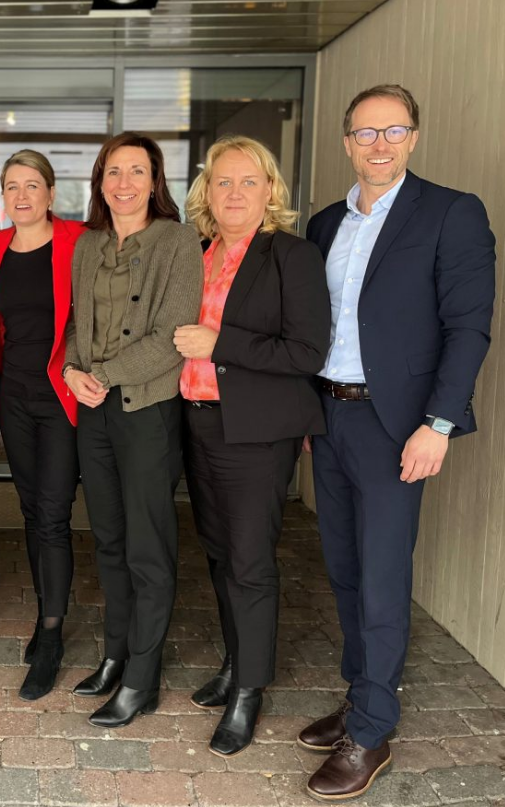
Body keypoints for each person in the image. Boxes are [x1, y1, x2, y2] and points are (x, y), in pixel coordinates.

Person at [301, 85, 496, 801]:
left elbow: (468, 327)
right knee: (345, 570)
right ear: (347, 142)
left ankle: (373, 730)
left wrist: (438, 424)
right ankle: (362, 696)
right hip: (330, 416)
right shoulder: (326, 223)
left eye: (393, 130)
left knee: (382, 578)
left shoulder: (450, 212)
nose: (379, 144)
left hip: (398, 426)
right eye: (365, 132)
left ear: (413, 137)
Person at [175, 135, 330, 757]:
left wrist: (220, 343)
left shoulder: (292, 255)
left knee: (250, 561)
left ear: (270, 190)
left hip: (257, 433)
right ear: (207, 192)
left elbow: (306, 352)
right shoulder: (197, 252)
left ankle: (249, 691)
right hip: (197, 421)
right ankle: (236, 661)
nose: (234, 193)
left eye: (248, 181)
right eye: (223, 181)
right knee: (218, 554)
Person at [63, 132, 202, 727]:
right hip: (93, 410)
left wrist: (99, 373)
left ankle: (142, 678)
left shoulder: (179, 241)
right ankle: (115, 656)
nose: (124, 183)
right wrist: (72, 370)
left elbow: (174, 334)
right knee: (110, 541)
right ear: (100, 181)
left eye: (136, 171)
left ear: (155, 181)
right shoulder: (88, 245)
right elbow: (77, 322)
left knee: (148, 547)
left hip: (147, 410)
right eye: (113, 172)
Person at [0, 149, 85, 700]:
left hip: (62, 394)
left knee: (53, 513)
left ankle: (51, 636)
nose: (21, 195)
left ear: (50, 193)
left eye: (32, 185)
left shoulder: (78, 241)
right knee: (29, 509)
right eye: (12, 186)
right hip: (13, 394)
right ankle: (47, 615)